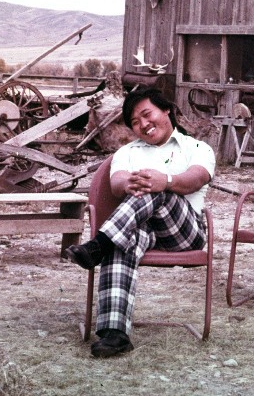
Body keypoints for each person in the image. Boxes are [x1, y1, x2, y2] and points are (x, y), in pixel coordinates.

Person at [65, 88, 215, 358]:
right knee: (124, 241)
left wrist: (165, 181)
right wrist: (130, 182)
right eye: (135, 122)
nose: (143, 125)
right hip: (140, 228)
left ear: (166, 110)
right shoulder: (127, 152)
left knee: (155, 187)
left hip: (184, 231)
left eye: (147, 115)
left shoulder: (197, 148)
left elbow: (196, 178)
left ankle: (99, 244)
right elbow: (117, 183)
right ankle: (115, 333)